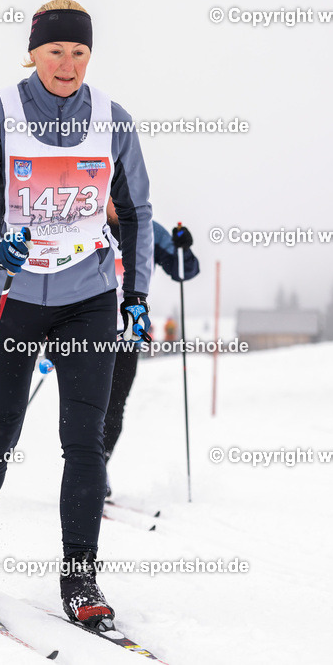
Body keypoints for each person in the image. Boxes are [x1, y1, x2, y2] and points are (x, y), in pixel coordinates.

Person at [0, 0, 154, 628]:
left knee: (83, 441)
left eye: (79, 52)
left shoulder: (114, 122)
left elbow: (138, 214)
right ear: (33, 53)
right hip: (8, 295)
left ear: (91, 56)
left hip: (87, 296)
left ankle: (80, 576)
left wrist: (138, 296)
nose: (67, 64)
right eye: (55, 51)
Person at [103, 211, 199, 496]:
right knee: (85, 404)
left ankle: (97, 468)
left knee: (115, 405)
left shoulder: (149, 230)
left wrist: (184, 249)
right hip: (84, 330)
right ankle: (81, 467)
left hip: (127, 334)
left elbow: (184, 271)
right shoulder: (86, 223)